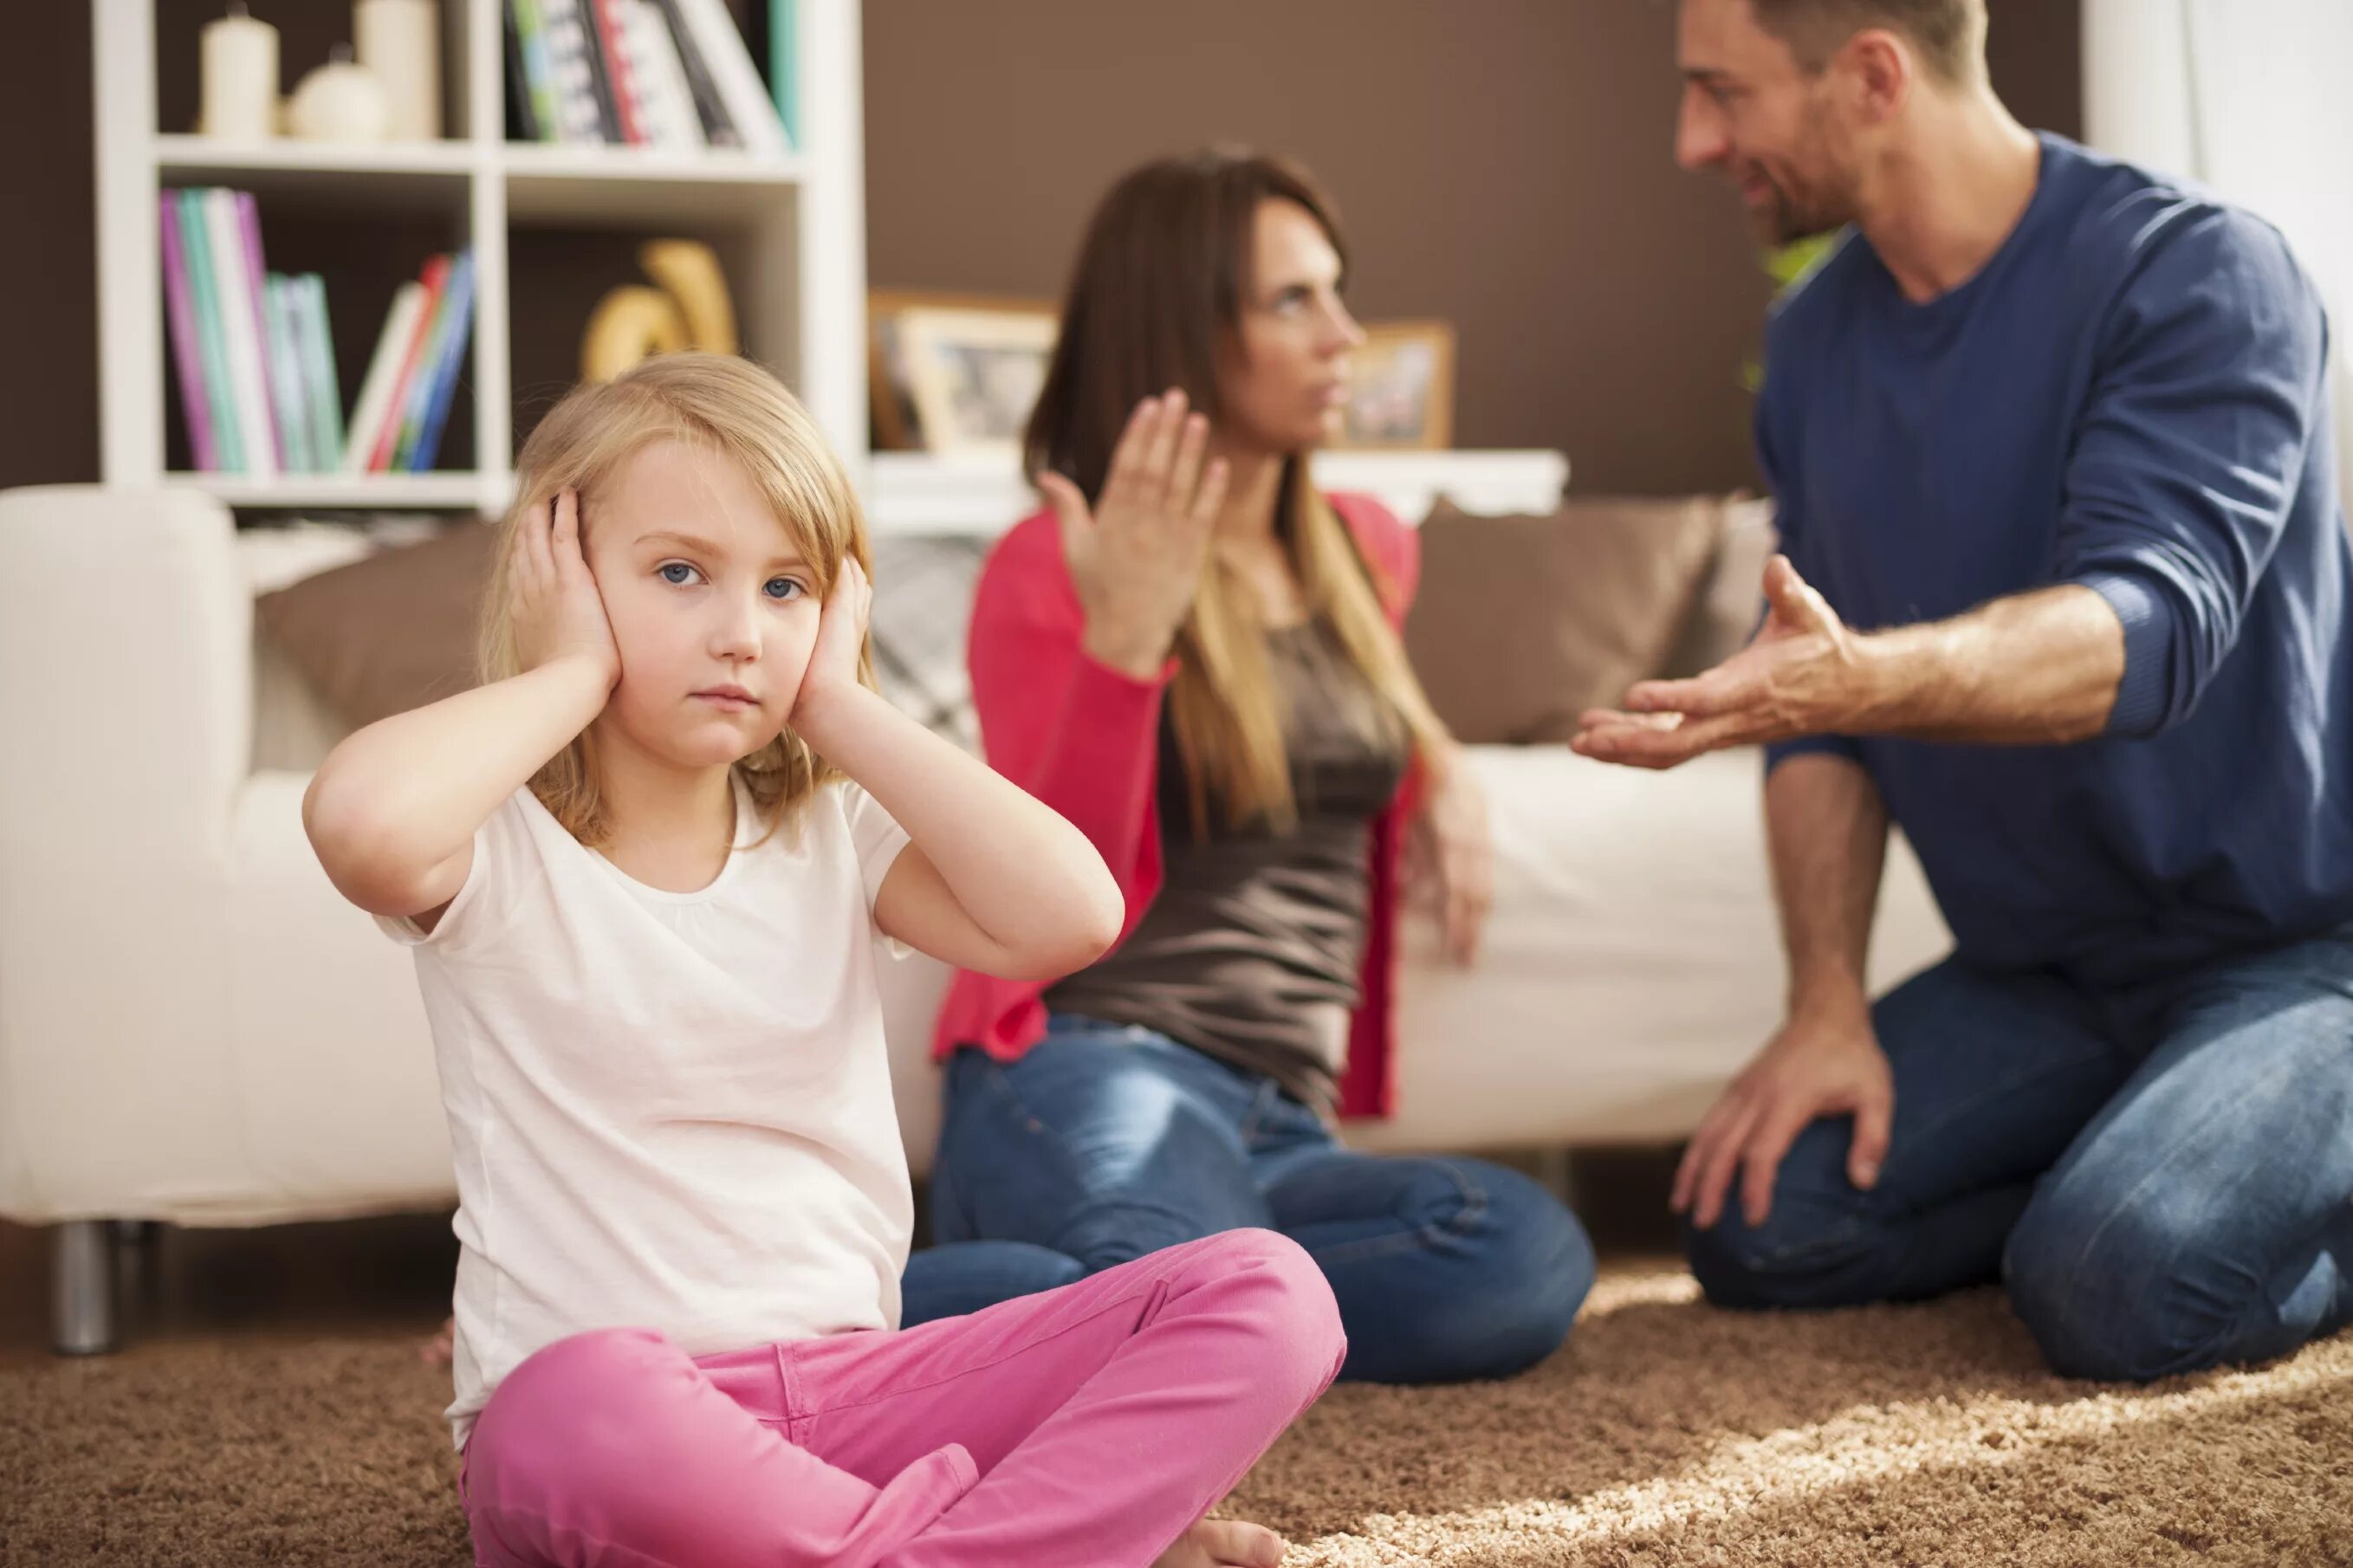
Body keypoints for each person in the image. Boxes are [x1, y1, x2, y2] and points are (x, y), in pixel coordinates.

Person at [304, 352, 1343, 1568]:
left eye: (785, 586)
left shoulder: (832, 834)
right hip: (613, 1420)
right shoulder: (494, 844)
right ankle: (1040, 1546)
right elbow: (363, 826)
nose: (740, 633)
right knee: (575, 1398)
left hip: (857, 1408)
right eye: (679, 573)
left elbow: (1073, 914)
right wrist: (570, 671)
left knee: (1272, 1291)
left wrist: (840, 705)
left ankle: (910, 1550)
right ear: (564, 577)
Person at [1575, 0, 2353, 1382]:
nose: (1695, 142)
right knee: (1761, 1224)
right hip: (2044, 973)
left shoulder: (2199, 273)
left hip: (2295, 947)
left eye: (1723, 94)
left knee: (2118, 1288)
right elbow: (1814, 718)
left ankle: (2175, 1182)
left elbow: (2149, 633)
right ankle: (2158, 1160)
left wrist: (1850, 679)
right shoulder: (1815, 344)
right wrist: (1827, 1003)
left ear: (1872, 74)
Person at [901, 150, 1595, 1384]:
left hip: (1282, 1119)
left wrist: (1443, 759)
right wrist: (1127, 638)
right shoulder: (1047, 567)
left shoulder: (1362, 549)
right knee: (1168, 1275)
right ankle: (749, 1307)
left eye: (1338, 292)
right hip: (1090, 1059)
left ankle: (1169, 1306)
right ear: (1185, 330)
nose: (1345, 335)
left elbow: (1352, 720)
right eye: (1294, 302)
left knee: (1521, 1255)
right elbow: (1053, 891)